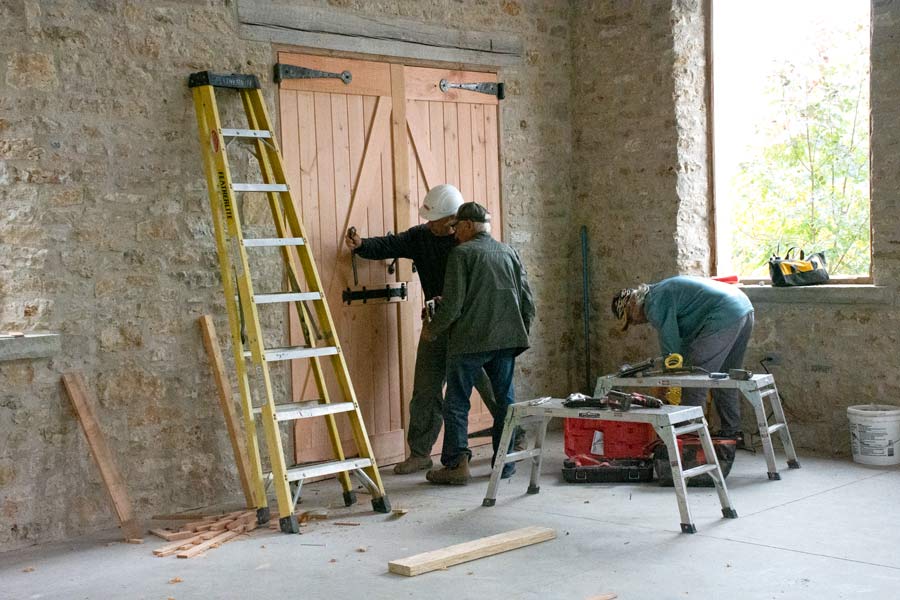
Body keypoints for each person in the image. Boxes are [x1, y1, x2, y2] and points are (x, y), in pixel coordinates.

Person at [345, 184, 499, 474]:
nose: (430, 225)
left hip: (468, 328)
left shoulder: (470, 244)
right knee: (426, 389)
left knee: (489, 385)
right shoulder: (421, 236)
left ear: (453, 220)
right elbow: (392, 244)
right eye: (428, 220)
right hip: (436, 324)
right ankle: (420, 453)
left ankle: (514, 437)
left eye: (436, 221)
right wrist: (362, 245)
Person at [422, 202, 535, 485]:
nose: (454, 233)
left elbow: (453, 306)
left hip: (469, 341)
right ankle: (505, 462)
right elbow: (527, 300)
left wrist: (432, 330)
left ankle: (456, 465)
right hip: (506, 340)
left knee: (457, 402)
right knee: (505, 401)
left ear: (469, 225)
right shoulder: (509, 252)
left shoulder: (461, 254)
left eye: (456, 227)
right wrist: (521, 332)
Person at [611, 275, 754, 439]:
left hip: (724, 313)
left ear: (632, 305)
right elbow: (684, 344)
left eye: (630, 319)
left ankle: (687, 438)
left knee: (693, 382)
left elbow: (671, 354)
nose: (635, 323)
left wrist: (663, 386)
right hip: (742, 307)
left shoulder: (653, 304)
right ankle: (732, 434)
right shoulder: (659, 292)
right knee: (725, 378)